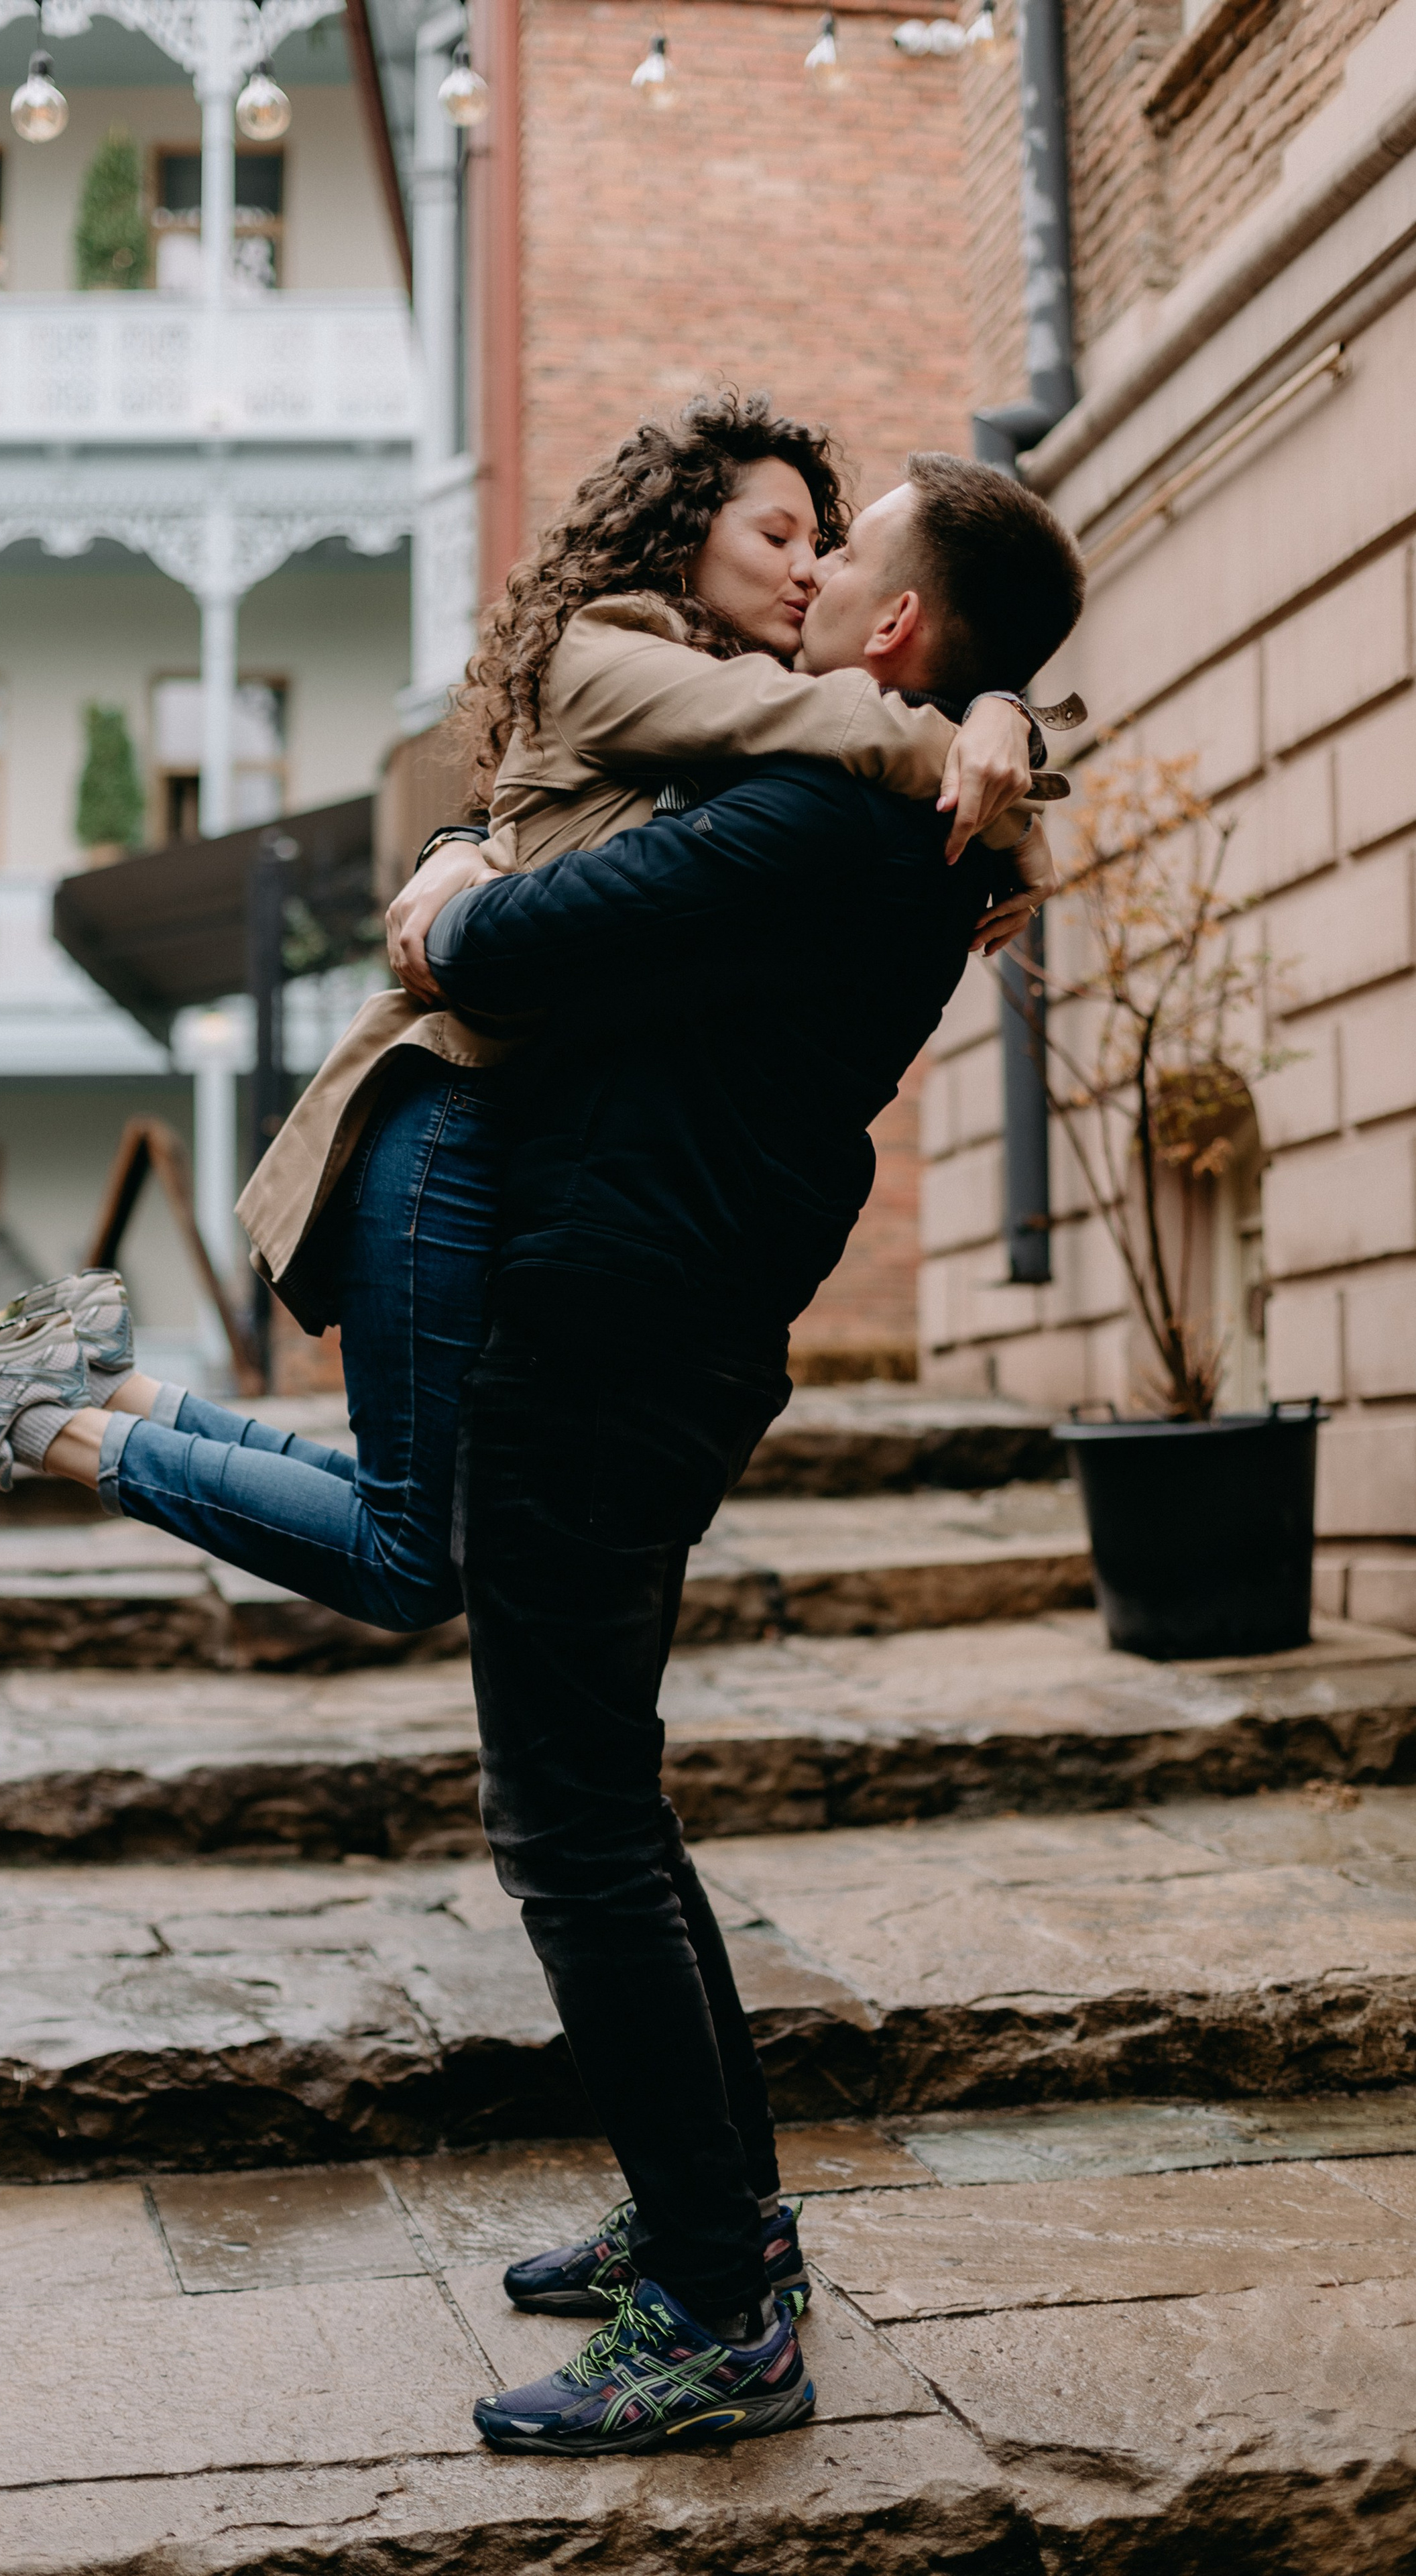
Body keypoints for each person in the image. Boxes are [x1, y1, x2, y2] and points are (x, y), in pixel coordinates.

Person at [0, 399, 1053, 1536]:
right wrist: (1000, 766)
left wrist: (1013, 715)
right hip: (452, 1098)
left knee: (417, 1509)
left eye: (822, 543)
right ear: (684, 535)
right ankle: (40, 1424)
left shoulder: (727, 698)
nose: (805, 567)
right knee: (417, 1543)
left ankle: (87, 1380)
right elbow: (833, 722)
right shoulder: (610, 648)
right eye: (775, 534)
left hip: (514, 1110)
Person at [420, 450, 1087, 2457]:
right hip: (678, 1318)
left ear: (890, 628)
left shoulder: (813, 810)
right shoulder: (913, 809)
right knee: (608, 1799)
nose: (801, 579)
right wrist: (1002, 715)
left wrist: (454, 895)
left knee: (572, 1824)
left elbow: (508, 944)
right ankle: (703, 2215)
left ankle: (717, 2302)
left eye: (843, 552)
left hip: (618, 1322)